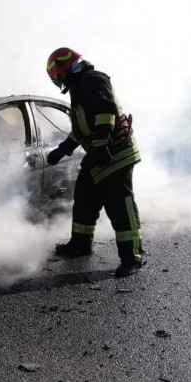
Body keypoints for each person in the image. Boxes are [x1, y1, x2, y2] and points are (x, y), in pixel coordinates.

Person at [45, 47, 144, 278]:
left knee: (120, 205)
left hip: (116, 154)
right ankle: (80, 244)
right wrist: (62, 150)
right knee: (84, 197)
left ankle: (132, 257)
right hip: (99, 155)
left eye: (57, 75)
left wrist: (101, 141)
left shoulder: (93, 79)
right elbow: (81, 129)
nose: (57, 80)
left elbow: (105, 111)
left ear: (65, 66)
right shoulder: (80, 86)